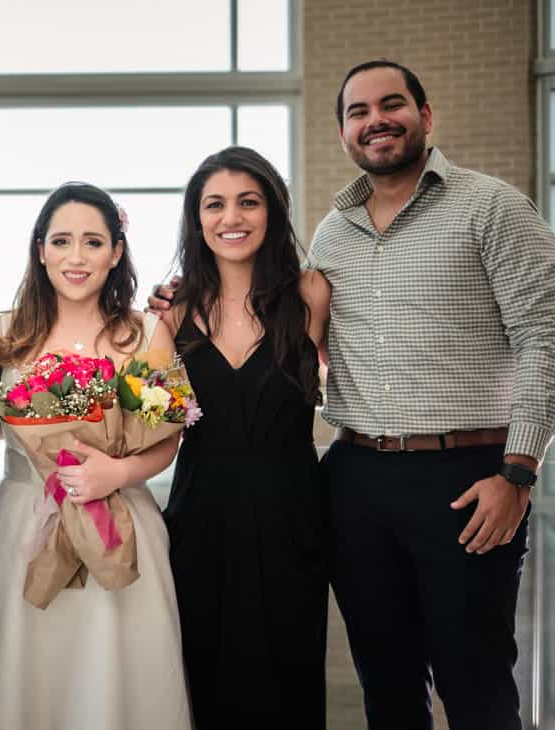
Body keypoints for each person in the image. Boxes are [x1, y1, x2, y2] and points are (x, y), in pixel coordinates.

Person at [313, 60, 555, 730]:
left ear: (425, 116)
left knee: (476, 686)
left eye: (391, 104)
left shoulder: (492, 207)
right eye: (358, 112)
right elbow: (296, 335)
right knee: (387, 689)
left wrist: (518, 473)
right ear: (343, 133)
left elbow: (546, 340)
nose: (376, 121)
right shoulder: (332, 233)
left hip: (467, 479)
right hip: (355, 481)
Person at [0, 183, 192, 730]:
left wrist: (117, 471)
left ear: (116, 252)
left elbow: (167, 437)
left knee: (117, 671)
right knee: (34, 673)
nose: (76, 257)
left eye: (93, 242)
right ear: (40, 249)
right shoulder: (4, 332)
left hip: (122, 523)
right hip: (26, 522)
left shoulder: (147, 333)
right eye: (62, 241)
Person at [155, 147, 330, 728]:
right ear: (197, 219)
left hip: (292, 514)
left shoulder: (311, 294)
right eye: (215, 205)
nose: (231, 217)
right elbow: (153, 421)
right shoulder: (172, 312)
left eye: (248, 202)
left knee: (289, 679)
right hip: (200, 515)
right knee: (207, 677)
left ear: (272, 211)